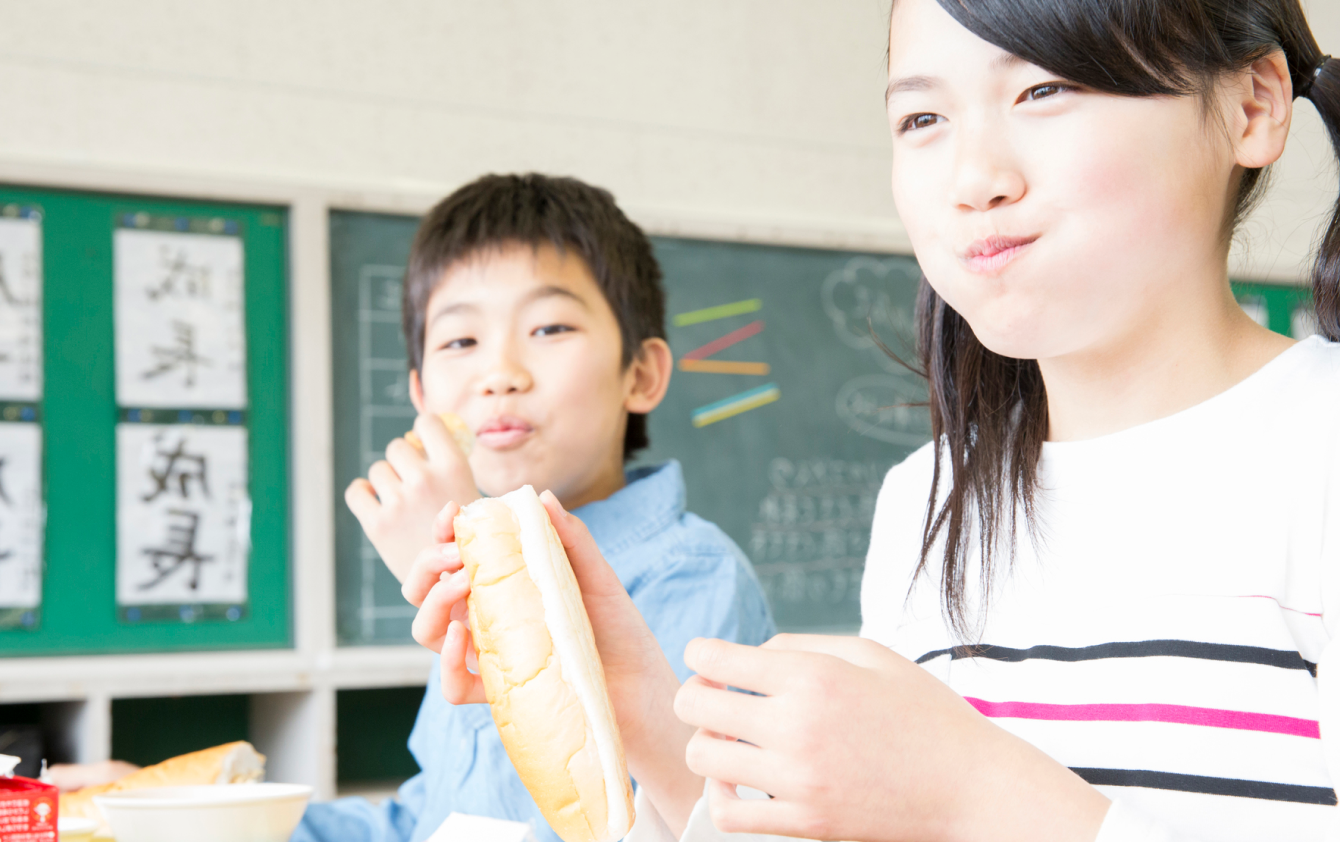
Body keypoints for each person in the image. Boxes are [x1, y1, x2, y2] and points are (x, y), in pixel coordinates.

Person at [405, 0, 1340, 839]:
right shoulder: (923, 500)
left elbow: (954, 805)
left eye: (1047, 88)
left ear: (1252, 107)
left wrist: (973, 795)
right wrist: (632, 701)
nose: (974, 177)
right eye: (922, 118)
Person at [295, 174, 775, 842]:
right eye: (460, 343)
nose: (500, 373)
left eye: (550, 328)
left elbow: (614, 821)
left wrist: (489, 575)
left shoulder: (692, 574)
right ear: (421, 396)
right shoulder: (463, 568)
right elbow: (432, 820)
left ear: (639, 375)